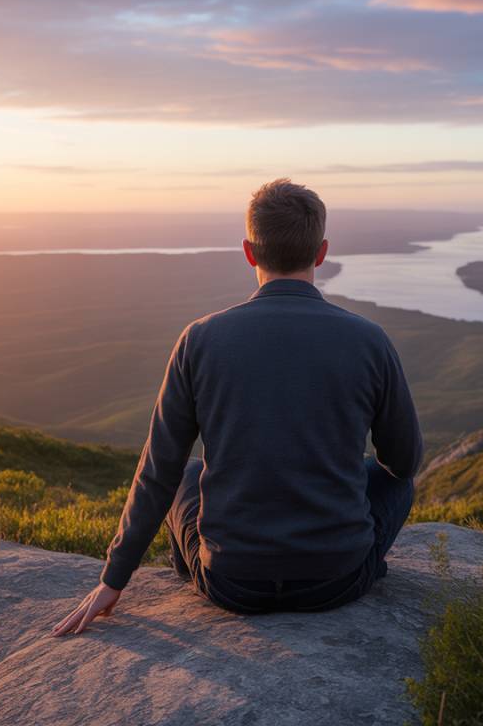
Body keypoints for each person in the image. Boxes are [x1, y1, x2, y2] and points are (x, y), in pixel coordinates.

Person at [52, 179, 423, 635]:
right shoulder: (369, 340)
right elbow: (403, 462)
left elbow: (157, 472)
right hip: (337, 581)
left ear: (249, 251)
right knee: (391, 481)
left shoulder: (200, 339)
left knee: (185, 472)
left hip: (231, 585)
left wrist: (114, 578)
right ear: (322, 252)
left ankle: (191, 567)